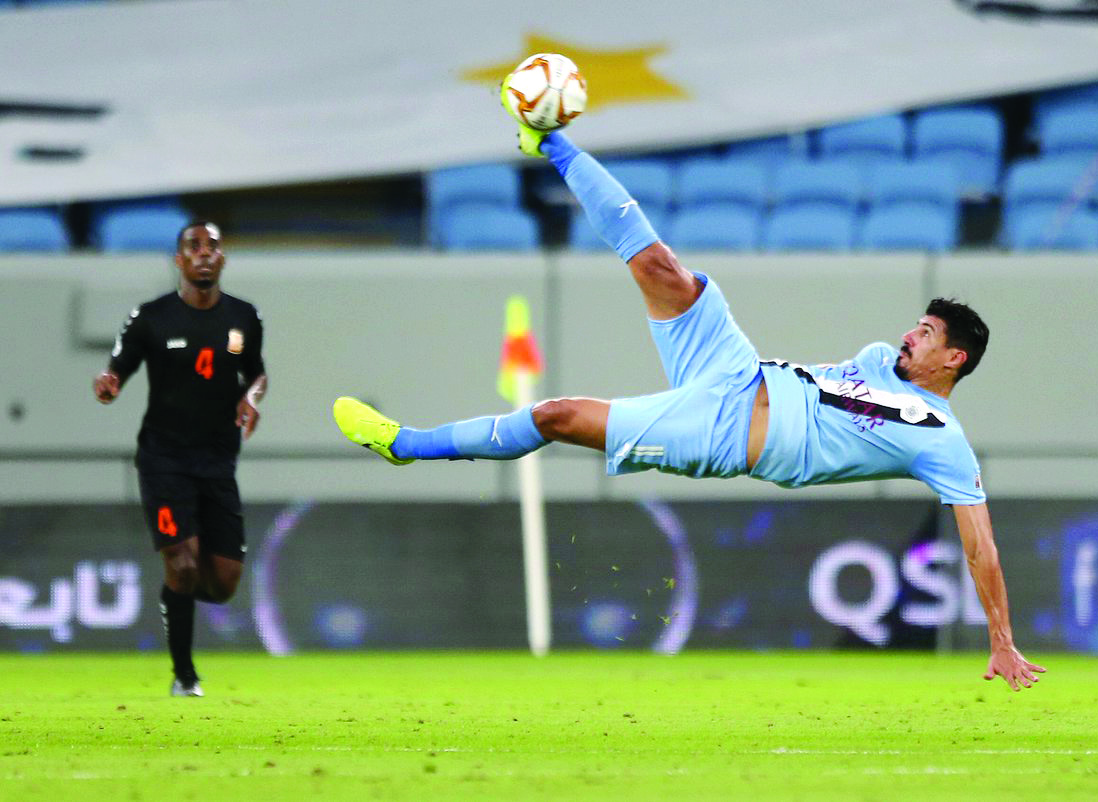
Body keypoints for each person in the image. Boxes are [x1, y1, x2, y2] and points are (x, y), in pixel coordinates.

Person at [332, 105, 1045, 692]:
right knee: (663, 268)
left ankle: (405, 444)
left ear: (954, 359)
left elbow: (979, 548)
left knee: (557, 416)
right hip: (735, 369)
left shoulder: (942, 440)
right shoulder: (875, 363)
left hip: (723, 433)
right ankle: (549, 139)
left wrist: (1002, 641)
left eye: (925, 333)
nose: (908, 334)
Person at [94, 221, 266, 697]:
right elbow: (119, 364)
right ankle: (185, 676)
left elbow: (257, 375)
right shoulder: (151, 317)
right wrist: (110, 380)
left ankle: (177, 598)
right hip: (164, 460)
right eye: (194, 247)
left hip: (217, 463)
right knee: (183, 562)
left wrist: (251, 398)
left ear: (223, 259)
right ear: (179, 260)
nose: (205, 254)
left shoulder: (244, 319)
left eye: (213, 246)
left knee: (223, 582)